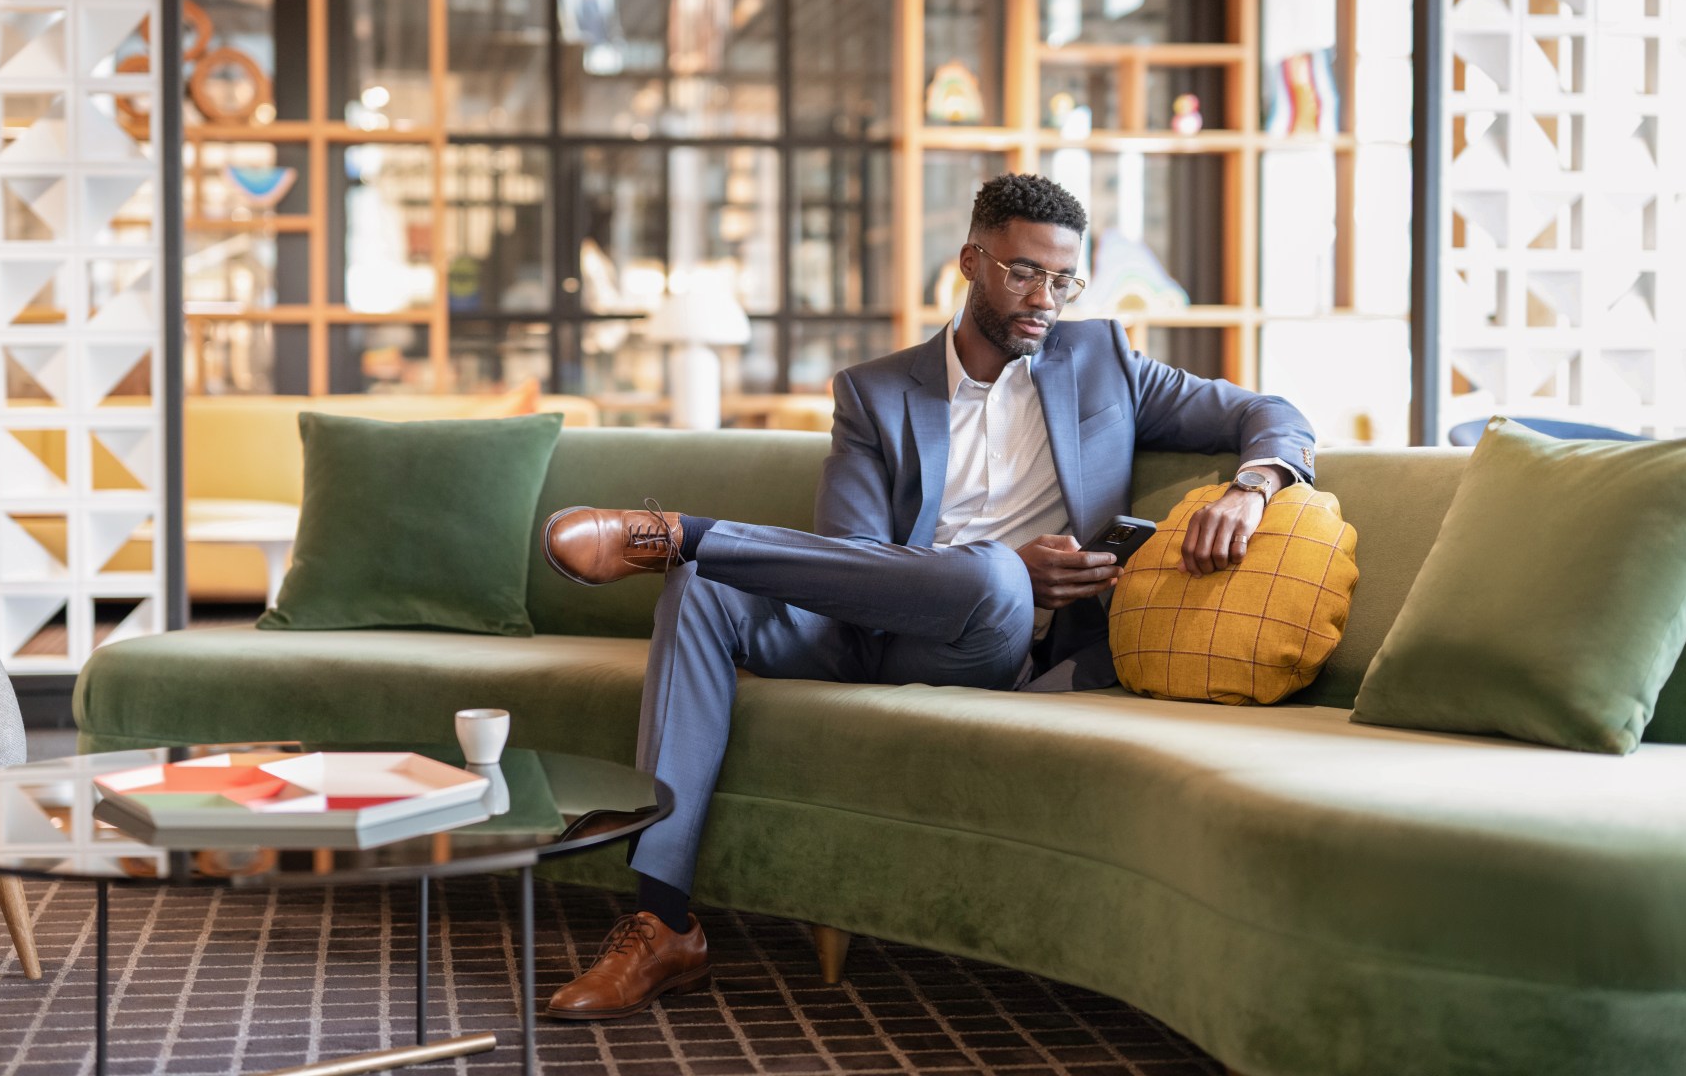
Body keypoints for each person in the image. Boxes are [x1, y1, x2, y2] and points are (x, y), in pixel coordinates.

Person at [538, 173, 1316, 1021]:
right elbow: (848, 561)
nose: (1045, 299)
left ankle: (685, 529)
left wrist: (1252, 487)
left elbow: (1270, 411)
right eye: (1024, 273)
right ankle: (663, 923)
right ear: (971, 261)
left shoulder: (1104, 362)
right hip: (862, 628)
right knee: (698, 594)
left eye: (1064, 280)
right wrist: (1011, 560)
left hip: (994, 643)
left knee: (990, 577)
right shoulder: (874, 392)